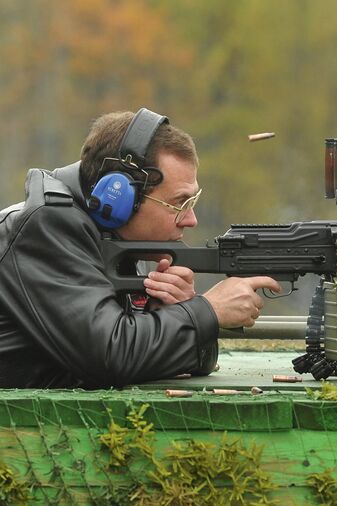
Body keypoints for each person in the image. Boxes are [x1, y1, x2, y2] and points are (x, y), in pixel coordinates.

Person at [0, 108, 279, 388]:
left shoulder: (120, 239)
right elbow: (110, 356)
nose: (191, 219)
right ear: (119, 197)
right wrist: (207, 311)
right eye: (179, 203)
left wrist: (179, 309)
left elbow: (193, 364)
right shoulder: (46, 226)